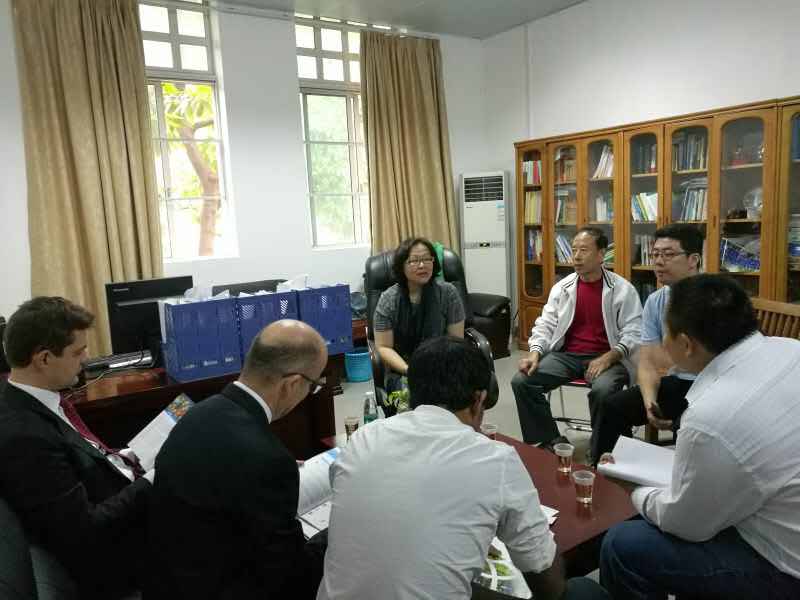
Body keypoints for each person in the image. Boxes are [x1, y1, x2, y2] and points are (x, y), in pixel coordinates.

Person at [317, 336, 610, 600]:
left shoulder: (364, 438)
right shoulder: (495, 459)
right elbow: (547, 580)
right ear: (479, 399)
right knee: (583, 591)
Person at [600, 274, 800, 599]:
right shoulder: (790, 349)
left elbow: (687, 525)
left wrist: (636, 491)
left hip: (783, 565)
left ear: (686, 344)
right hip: (782, 510)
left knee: (624, 544)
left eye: (666, 332)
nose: (662, 342)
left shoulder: (710, 417)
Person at [145, 319, 328, 600]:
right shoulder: (269, 459)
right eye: (312, 386)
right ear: (291, 384)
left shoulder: (196, 413)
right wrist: (335, 533)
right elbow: (290, 577)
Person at [0, 297, 151, 599]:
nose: (86, 359)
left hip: (119, 494)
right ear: (44, 359)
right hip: (118, 561)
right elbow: (86, 528)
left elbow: (80, 454)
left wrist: (126, 456)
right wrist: (151, 481)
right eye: (78, 352)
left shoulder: (34, 397)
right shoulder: (24, 437)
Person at [512, 227, 642, 451]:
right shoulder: (562, 288)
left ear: (601, 254)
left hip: (608, 357)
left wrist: (609, 357)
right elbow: (545, 324)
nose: (577, 256)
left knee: (603, 391)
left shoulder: (622, 289)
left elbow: (634, 331)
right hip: (568, 355)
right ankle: (551, 439)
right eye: (574, 250)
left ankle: (602, 449)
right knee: (522, 381)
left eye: (584, 250)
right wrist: (534, 353)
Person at [589, 224, 703, 463]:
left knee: (689, 424)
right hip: (676, 382)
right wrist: (650, 401)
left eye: (668, 254)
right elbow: (648, 361)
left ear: (693, 260)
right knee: (612, 407)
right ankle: (607, 472)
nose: (659, 262)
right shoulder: (655, 300)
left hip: (709, 386)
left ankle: (677, 480)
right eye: (655, 254)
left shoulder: (713, 299)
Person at [373, 236, 465, 413]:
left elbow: (455, 342)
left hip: (441, 366)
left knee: (454, 401)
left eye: (426, 259)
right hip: (403, 369)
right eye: (414, 261)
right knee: (410, 404)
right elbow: (383, 347)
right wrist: (409, 370)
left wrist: (438, 369)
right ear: (402, 266)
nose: (422, 265)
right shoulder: (388, 299)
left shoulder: (448, 294)